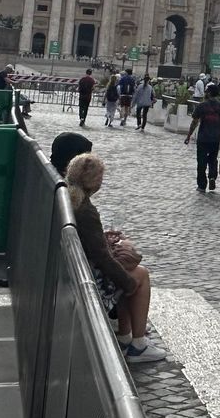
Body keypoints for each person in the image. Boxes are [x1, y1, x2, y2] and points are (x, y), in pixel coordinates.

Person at [63, 151, 166, 365]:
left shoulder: (68, 199)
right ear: (92, 182)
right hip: (87, 278)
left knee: (130, 271)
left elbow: (93, 244)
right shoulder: (86, 211)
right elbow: (102, 258)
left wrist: (103, 238)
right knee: (140, 275)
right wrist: (126, 283)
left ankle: (126, 335)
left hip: (74, 267)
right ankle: (138, 345)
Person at [186, 87, 220, 192]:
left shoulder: (201, 106)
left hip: (203, 137)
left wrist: (189, 135)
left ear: (209, 93)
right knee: (213, 159)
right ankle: (212, 177)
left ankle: (201, 185)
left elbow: (194, 122)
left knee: (201, 161)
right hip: (215, 138)